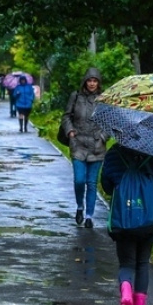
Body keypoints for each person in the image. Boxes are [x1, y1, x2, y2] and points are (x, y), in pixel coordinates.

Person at [101, 144, 153, 305]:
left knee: (126, 264)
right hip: (148, 220)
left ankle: (125, 293)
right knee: (142, 264)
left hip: (123, 219)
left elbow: (107, 186)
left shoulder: (115, 152)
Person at [61, 67, 107, 228]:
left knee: (92, 183)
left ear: (98, 83)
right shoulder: (76, 96)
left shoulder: (104, 99)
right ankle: (80, 206)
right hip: (78, 143)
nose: (92, 83)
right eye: (90, 80)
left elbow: (110, 122)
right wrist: (70, 132)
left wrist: (103, 137)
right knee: (79, 180)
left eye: (95, 81)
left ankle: (89, 216)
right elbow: (66, 116)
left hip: (96, 146)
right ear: (85, 81)